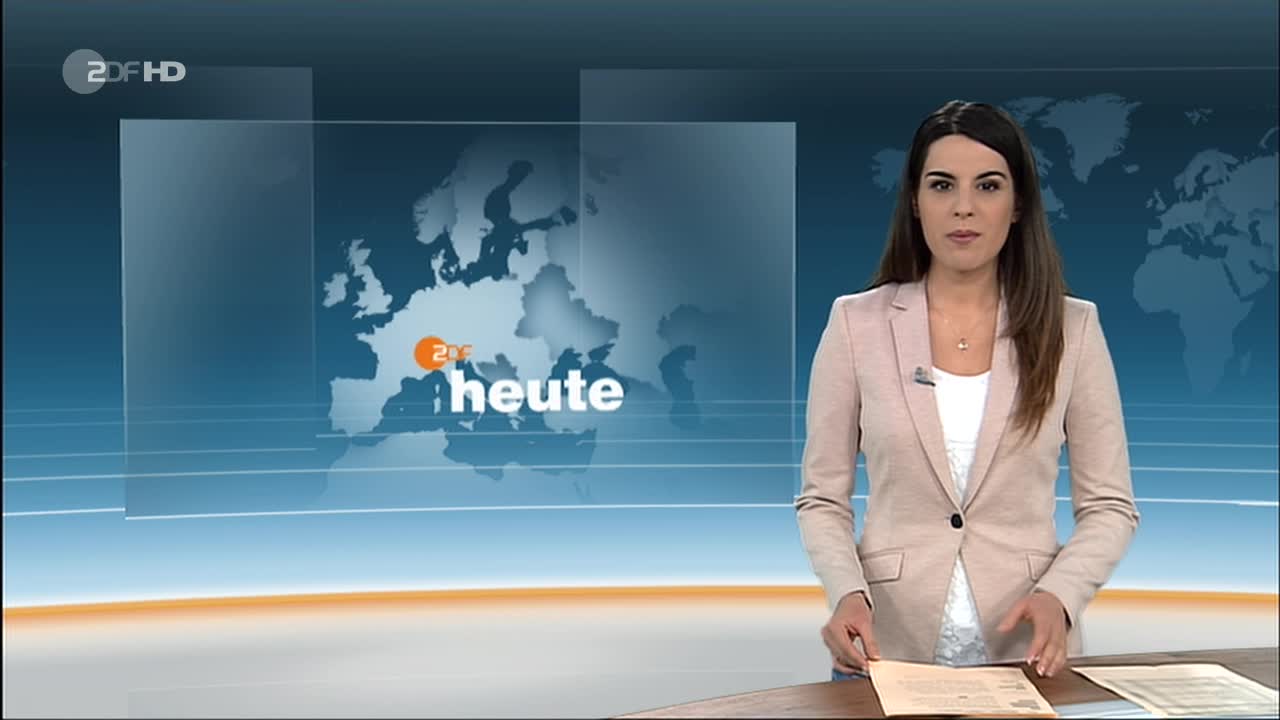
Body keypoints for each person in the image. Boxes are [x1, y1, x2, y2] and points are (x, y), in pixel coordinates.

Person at [795, 100, 1140, 683]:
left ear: (1018, 204)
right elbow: (822, 499)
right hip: (885, 652)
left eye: (988, 185)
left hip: (1027, 656)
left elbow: (1110, 506)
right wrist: (848, 592)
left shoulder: (1072, 329)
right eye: (941, 185)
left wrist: (1060, 595)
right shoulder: (855, 324)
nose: (963, 207)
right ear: (915, 200)